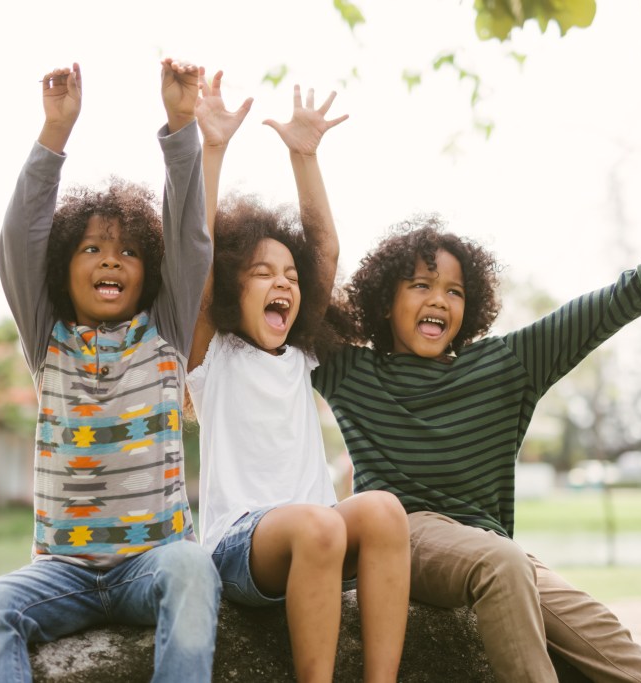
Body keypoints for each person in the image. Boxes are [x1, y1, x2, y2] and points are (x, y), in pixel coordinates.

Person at [312, 216, 641, 683]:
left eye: (454, 291)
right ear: (385, 301)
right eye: (420, 285)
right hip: (403, 536)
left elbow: (586, 317)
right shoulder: (353, 373)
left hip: (490, 544)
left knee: (595, 625)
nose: (439, 299)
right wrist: (305, 158)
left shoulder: (505, 366)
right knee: (501, 561)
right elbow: (308, 294)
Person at [0, 58, 220, 683]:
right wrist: (55, 133)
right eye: (93, 248)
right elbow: (19, 238)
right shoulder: (48, 337)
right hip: (61, 573)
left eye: (129, 250)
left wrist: (181, 126)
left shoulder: (167, 331)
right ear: (63, 267)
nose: (111, 261)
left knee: (193, 567)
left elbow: (190, 238)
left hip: (151, 564)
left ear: (148, 270)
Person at [185, 71, 411, 683]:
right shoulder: (216, 356)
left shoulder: (300, 354)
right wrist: (211, 148)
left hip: (317, 538)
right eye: (263, 272)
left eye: (289, 274)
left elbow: (326, 250)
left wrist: (304, 156)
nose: (283, 282)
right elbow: (196, 257)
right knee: (318, 523)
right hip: (240, 548)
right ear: (234, 286)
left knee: (386, 511)